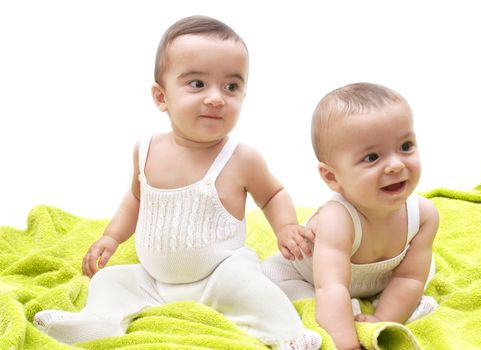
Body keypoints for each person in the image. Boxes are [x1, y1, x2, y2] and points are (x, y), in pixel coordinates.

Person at [33, 15, 321, 350]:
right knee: (111, 281)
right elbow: (136, 199)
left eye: (231, 86)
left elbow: (273, 194)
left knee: (253, 287)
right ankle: (97, 323)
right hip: (153, 280)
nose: (216, 98)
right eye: (197, 84)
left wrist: (285, 227)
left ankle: (288, 335)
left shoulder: (241, 158)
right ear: (161, 96)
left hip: (219, 275)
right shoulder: (146, 150)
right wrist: (111, 236)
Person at [262, 82, 439, 349]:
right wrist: (347, 343)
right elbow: (330, 287)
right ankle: (336, 312)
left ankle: (384, 304)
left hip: (386, 275)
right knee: (269, 278)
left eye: (405, 146)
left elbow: (409, 277)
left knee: (425, 270)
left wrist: (381, 319)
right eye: (371, 157)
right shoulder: (338, 218)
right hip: (315, 278)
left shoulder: (423, 215)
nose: (395, 164)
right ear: (332, 177)